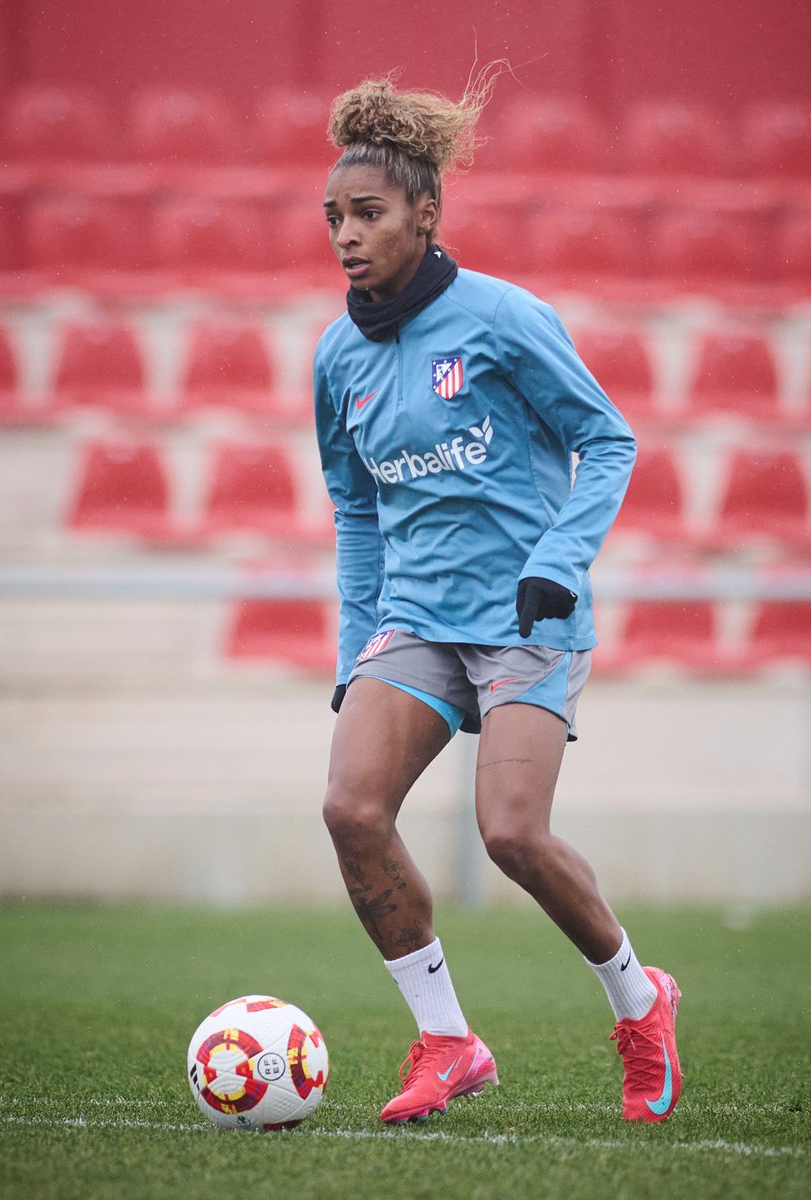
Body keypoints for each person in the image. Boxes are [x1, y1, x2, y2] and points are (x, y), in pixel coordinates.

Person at [313, 73, 681, 1126]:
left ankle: (641, 1002)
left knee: (512, 835)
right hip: (416, 620)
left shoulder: (507, 319)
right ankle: (447, 1041)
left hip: (527, 617)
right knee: (350, 811)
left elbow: (608, 439)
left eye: (368, 213)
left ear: (426, 214)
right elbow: (355, 513)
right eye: (334, 217)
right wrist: (354, 649)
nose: (346, 235)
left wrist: (561, 557)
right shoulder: (336, 358)